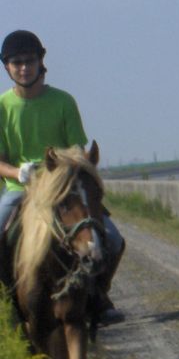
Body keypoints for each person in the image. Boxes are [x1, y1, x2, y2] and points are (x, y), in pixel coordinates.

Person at [0, 29, 126, 324]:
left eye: (28, 61)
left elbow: (77, 152)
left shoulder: (63, 102)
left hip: (63, 190)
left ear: (40, 62)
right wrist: (19, 171)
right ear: (7, 67)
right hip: (21, 188)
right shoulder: (2, 107)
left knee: (113, 238)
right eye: (16, 62)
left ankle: (98, 294)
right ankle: (9, 299)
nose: (23, 67)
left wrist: (63, 171)